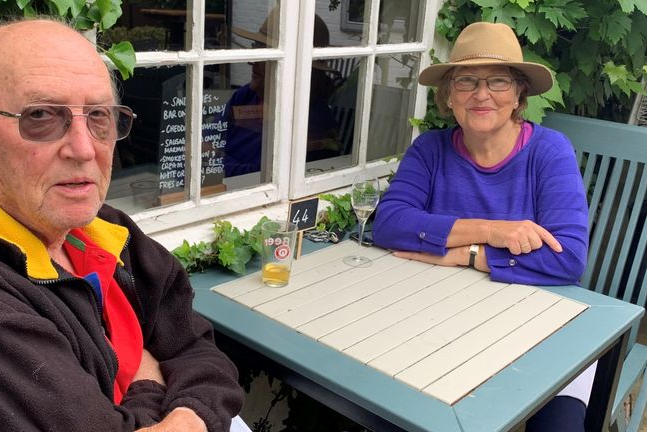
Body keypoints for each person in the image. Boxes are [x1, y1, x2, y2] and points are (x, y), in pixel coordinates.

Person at [0, 19, 246, 432]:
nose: (84, 149)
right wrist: (146, 370)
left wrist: (188, 417)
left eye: (99, 116)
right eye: (40, 116)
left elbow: (200, 350)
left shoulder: (103, 230)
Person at [373, 22, 590, 431]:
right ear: (449, 96)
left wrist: (468, 255)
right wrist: (492, 231)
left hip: (540, 324)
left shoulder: (549, 151)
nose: (481, 93)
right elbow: (389, 224)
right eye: (467, 81)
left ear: (518, 94)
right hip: (444, 323)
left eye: (498, 81)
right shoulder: (430, 150)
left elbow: (569, 259)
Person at [223, 9, 342, 177]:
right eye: (256, 48)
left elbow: (261, 177)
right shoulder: (244, 96)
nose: (252, 62)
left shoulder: (313, 121)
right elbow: (201, 146)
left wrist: (216, 160)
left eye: (267, 54)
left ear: (295, 66)